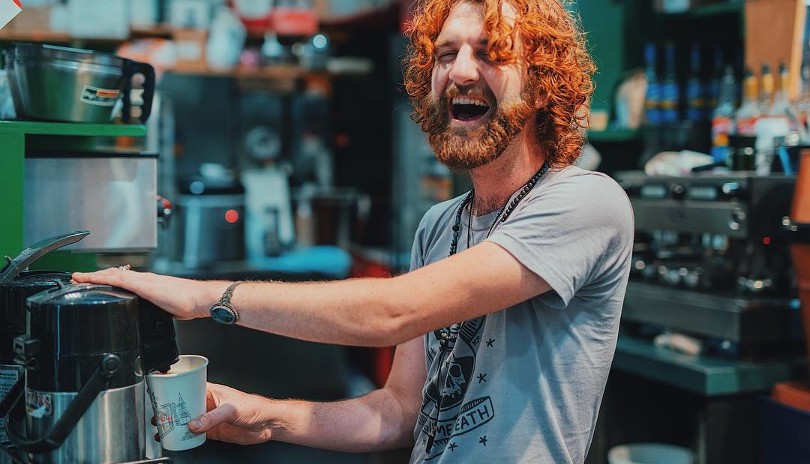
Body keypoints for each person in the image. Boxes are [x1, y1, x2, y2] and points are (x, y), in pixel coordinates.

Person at [73, 0, 633, 461]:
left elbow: (393, 311)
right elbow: (399, 413)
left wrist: (201, 298)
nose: (460, 71)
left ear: (542, 83)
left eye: (491, 53)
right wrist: (267, 418)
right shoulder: (440, 226)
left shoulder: (586, 201)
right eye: (445, 54)